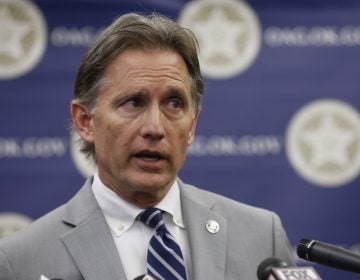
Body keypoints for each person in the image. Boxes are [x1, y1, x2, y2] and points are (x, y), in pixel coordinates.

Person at [0, 13, 294, 280]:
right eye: (133, 102)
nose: (155, 127)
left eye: (174, 103)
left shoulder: (261, 236)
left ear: (191, 125)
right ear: (85, 121)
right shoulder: (19, 261)